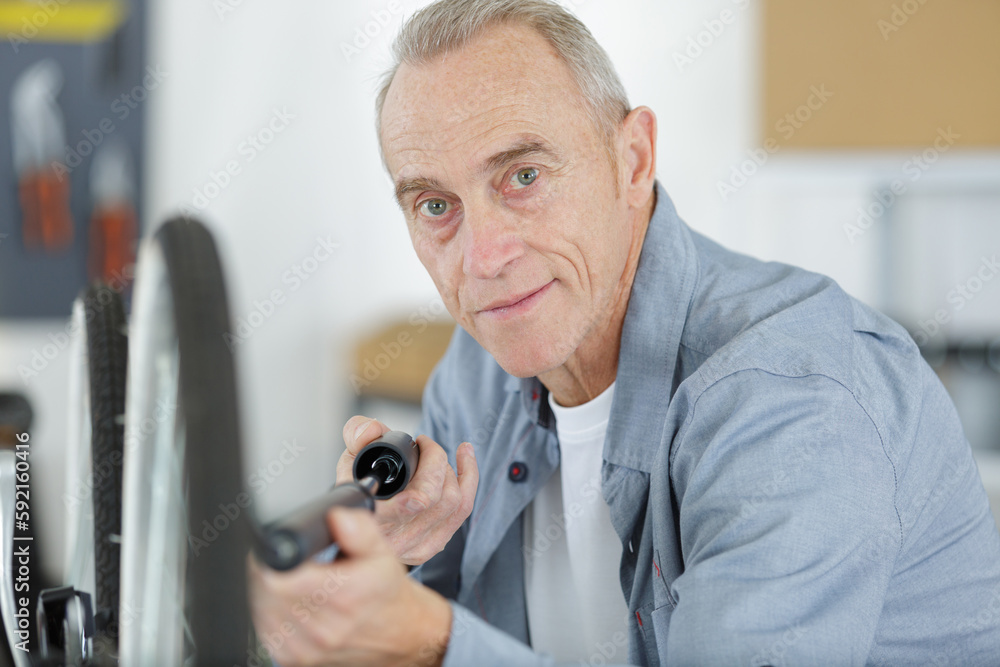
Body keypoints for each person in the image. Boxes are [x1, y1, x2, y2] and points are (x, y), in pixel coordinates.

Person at [248, 0, 1000, 665]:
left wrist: (429, 640)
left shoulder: (792, 401)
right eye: (436, 205)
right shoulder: (478, 371)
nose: (483, 259)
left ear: (632, 159)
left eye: (523, 176)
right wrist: (389, 569)